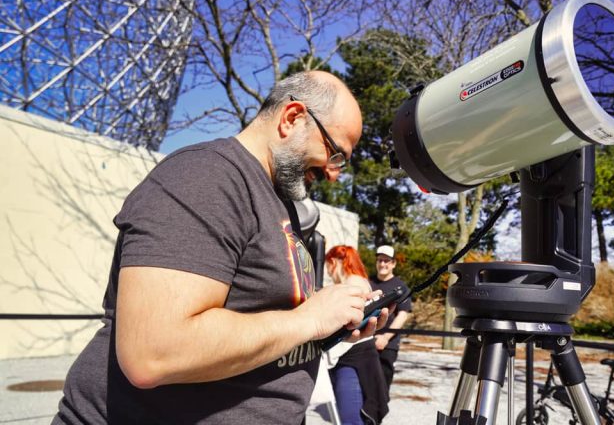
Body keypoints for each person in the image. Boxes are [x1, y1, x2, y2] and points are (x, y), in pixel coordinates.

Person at [53, 71, 388, 425]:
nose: (334, 174)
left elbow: (264, 322)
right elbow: (154, 352)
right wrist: (311, 319)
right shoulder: (205, 177)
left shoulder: (278, 201)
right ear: (292, 118)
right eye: (335, 154)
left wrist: (334, 321)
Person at [323, 245, 389, 425]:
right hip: (353, 355)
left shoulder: (352, 284)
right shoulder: (359, 281)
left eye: (328, 265)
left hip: (354, 357)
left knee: (351, 418)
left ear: (335, 262)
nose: (328, 271)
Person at [369, 245, 412, 397]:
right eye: (380, 260)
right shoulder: (368, 283)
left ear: (393, 263)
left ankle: (376, 418)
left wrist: (385, 338)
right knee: (364, 384)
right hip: (365, 342)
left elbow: (402, 315)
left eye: (386, 261)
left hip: (388, 345)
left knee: (382, 386)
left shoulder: (401, 287)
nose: (382, 264)